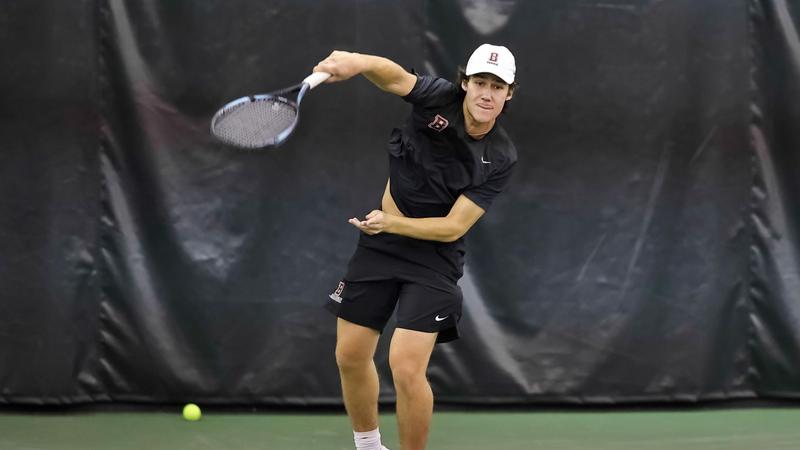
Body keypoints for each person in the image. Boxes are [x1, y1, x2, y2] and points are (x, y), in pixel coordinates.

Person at [315, 43, 518, 450]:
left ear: (508, 94)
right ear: (465, 83)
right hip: (380, 246)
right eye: (480, 82)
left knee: (406, 368)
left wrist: (392, 222)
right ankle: (369, 446)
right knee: (350, 356)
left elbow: (452, 227)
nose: (486, 93)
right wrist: (357, 62)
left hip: (434, 260)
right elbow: (393, 77)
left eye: (497, 86)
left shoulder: (500, 156)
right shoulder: (439, 98)